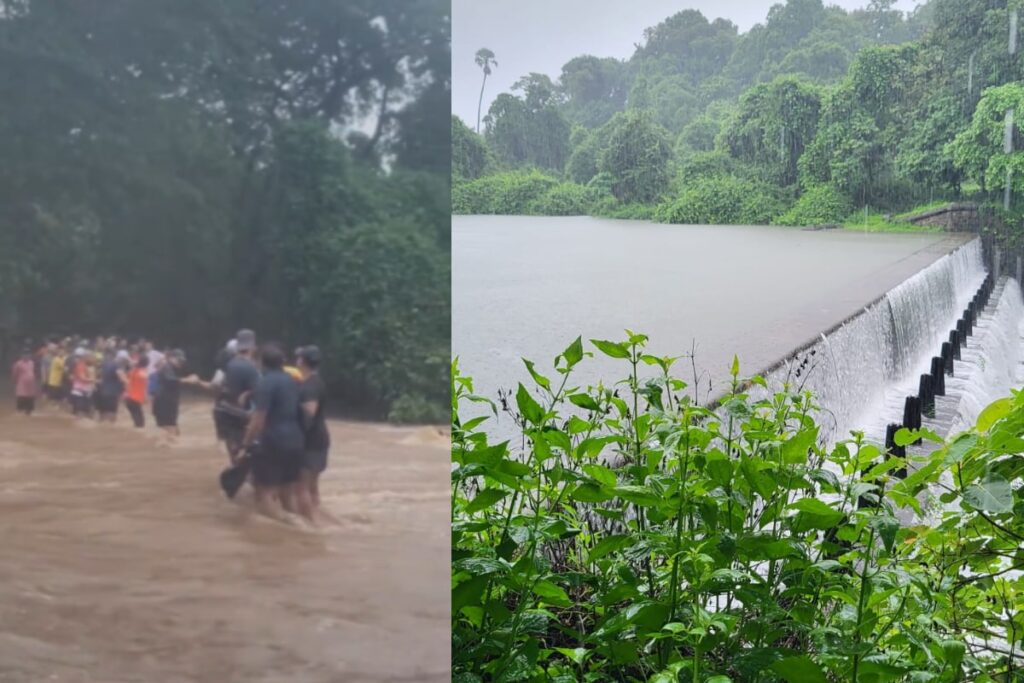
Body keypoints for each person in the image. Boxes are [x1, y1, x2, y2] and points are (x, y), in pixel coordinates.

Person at [241, 342, 305, 521]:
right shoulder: (292, 381)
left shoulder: (266, 382)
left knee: (264, 493)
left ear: (261, 362)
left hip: (274, 441)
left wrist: (246, 444)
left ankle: (294, 530)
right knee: (287, 495)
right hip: (296, 441)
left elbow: (258, 420)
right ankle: (299, 529)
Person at [295, 345, 331, 524]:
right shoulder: (316, 381)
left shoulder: (310, 386)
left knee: (301, 487)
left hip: (311, 442)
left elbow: (309, 414)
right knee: (313, 486)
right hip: (320, 438)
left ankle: (315, 526)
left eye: (299, 357)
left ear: (302, 361)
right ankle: (317, 518)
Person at [217, 329, 261, 462]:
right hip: (244, 415)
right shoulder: (250, 368)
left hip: (227, 411)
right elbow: (260, 391)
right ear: (252, 348)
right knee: (248, 449)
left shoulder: (230, 364)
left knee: (234, 447)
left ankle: (236, 468)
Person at [150, 349, 200, 443]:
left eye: (182, 361)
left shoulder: (174, 367)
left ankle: (167, 442)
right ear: (171, 358)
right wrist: (188, 380)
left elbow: (186, 373)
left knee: (171, 425)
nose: (181, 362)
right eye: (179, 360)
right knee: (168, 425)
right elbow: (171, 380)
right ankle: (167, 443)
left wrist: (192, 376)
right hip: (164, 401)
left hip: (168, 401)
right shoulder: (167, 367)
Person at [95, 350, 124, 423]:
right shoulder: (116, 365)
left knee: (102, 413)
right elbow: (121, 377)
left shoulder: (101, 365)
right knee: (112, 413)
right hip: (112, 393)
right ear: (114, 356)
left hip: (102, 391)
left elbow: (97, 377)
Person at [123, 354, 149, 428]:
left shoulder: (133, 371)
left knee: (137, 422)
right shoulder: (143, 372)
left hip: (128, 398)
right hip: (135, 399)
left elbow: (127, 382)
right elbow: (145, 386)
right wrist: (146, 398)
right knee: (140, 423)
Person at [11, 349, 38, 416]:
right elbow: (14, 373)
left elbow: (34, 371)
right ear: (21, 355)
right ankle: (20, 410)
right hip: (22, 383)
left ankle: (29, 410)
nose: (26, 356)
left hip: (31, 384)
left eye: (27, 354)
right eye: (25, 354)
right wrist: (15, 380)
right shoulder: (18, 363)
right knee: (21, 395)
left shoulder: (32, 363)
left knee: (30, 396)